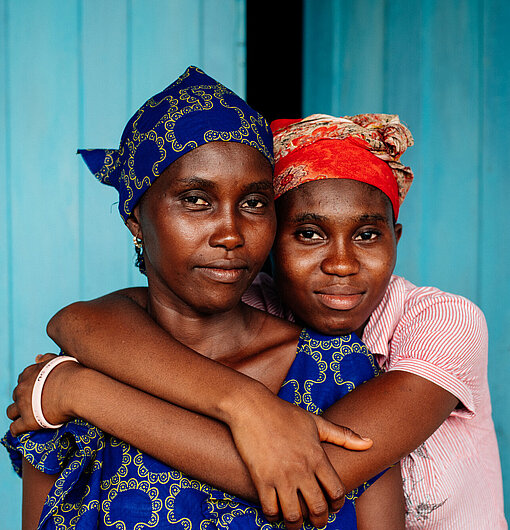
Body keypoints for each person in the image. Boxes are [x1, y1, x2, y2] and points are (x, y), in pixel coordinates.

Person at [9, 111, 507, 528]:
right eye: (308, 234)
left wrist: (81, 393)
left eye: (368, 235)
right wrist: (246, 404)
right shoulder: (249, 298)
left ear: (397, 235)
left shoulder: (442, 322)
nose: (340, 264)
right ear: (274, 241)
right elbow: (84, 319)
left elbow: (300, 471)